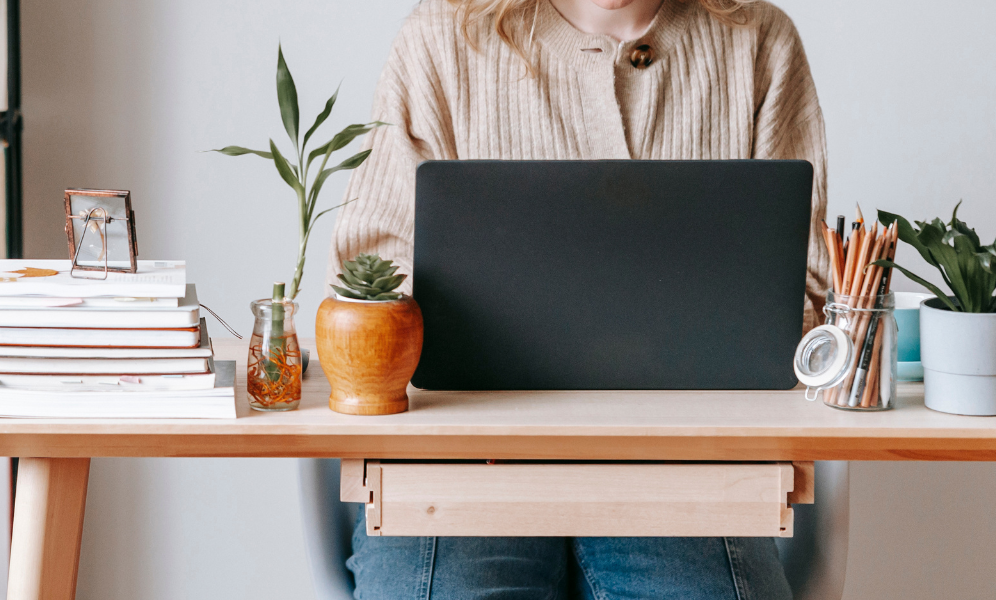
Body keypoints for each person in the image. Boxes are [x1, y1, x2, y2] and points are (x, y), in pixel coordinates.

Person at [329, 0, 828, 598]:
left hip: (687, 476)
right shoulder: (439, 40)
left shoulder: (758, 42)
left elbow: (805, 292)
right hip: (457, 471)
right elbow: (369, 272)